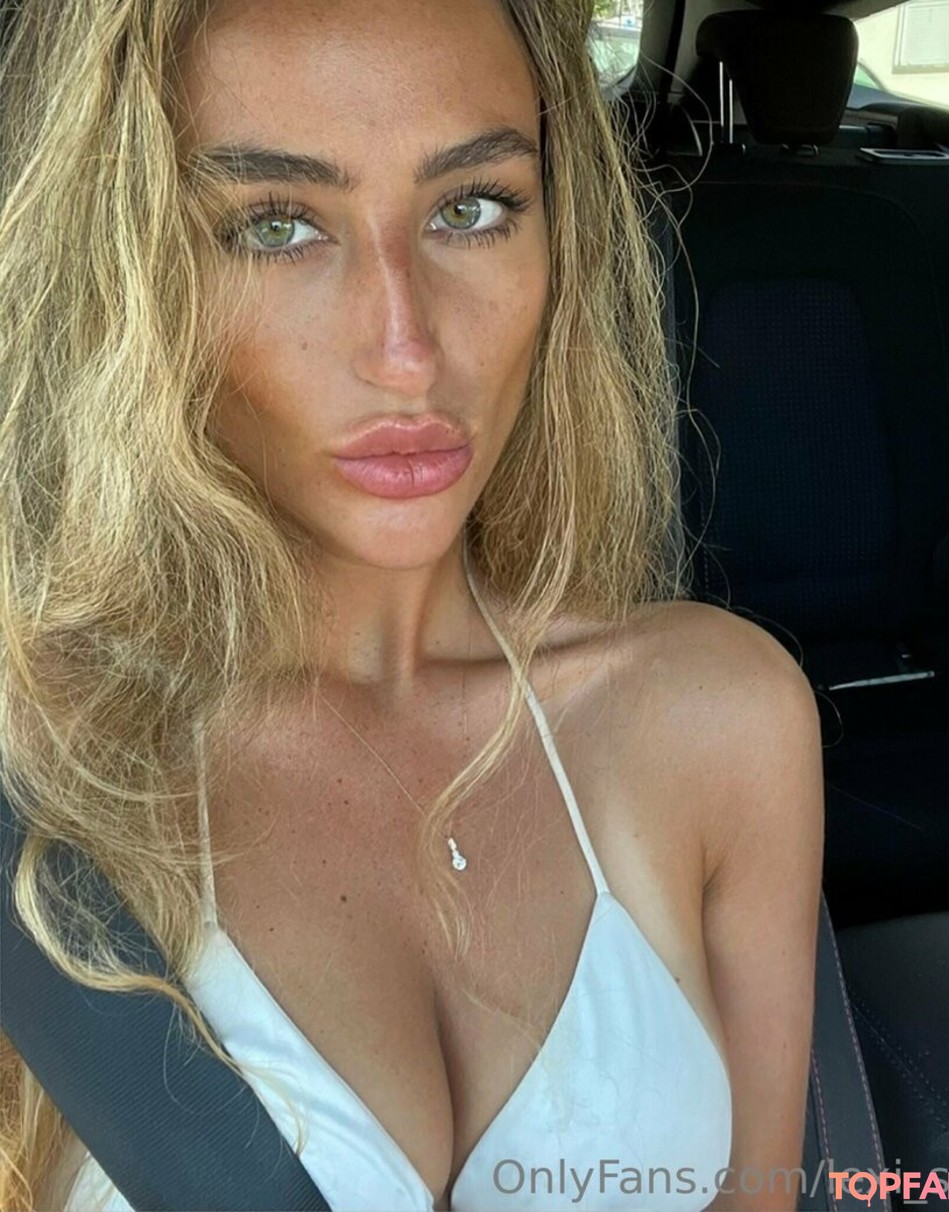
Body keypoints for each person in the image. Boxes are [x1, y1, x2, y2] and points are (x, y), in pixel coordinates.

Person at [0, 1, 824, 1209]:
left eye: (471, 208)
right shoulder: (37, 772)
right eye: (276, 225)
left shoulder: (719, 722)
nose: (406, 348)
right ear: (128, 272)